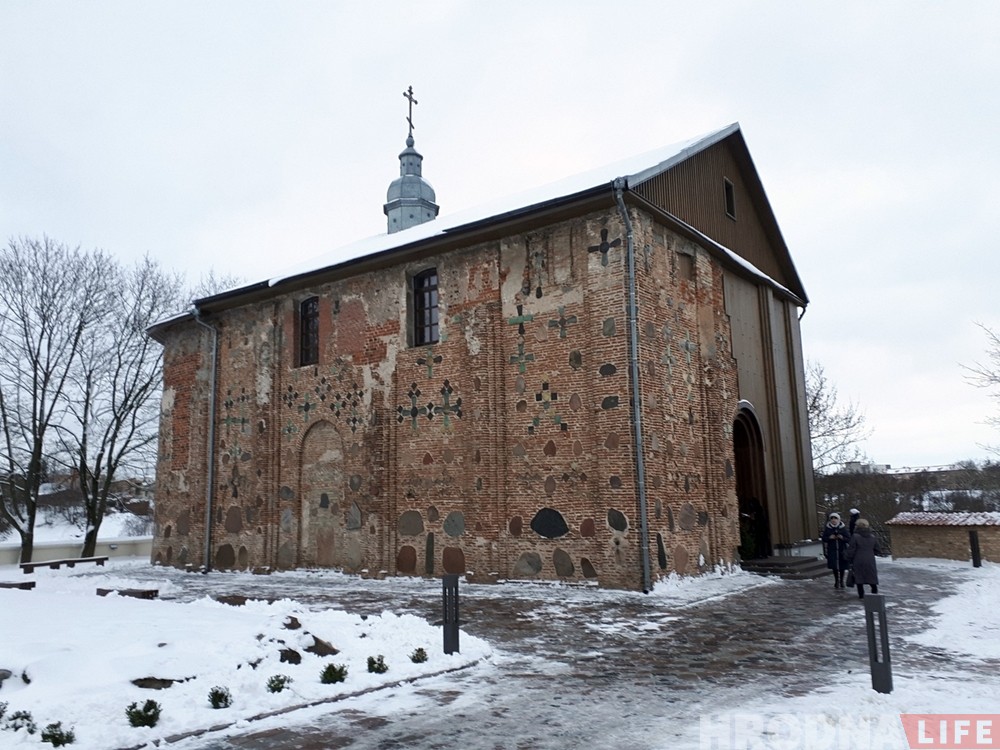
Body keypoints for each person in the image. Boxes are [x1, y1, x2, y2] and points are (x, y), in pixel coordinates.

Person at [846, 518, 881, 599]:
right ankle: (874, 593)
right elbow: (877, 549)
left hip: (858, 560)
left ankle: (861, 596)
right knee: (872, 578)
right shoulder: (872, 536)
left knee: (859, 578)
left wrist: (848, 557)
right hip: (870, 560)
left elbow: (851, 549)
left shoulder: (855, 536)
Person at [821, 512, 851, 589]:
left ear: (838, 520)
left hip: (842, 550)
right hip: (832, 550)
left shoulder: (843, 528)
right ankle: (836, 581)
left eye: (835, 518)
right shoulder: (828, 529)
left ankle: (841, 581)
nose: (833, 520)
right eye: (832, 519)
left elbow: (849, 539)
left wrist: (842, 538)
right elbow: (824, 538)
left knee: (842, 567)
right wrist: (829, 538)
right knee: (834, 567)